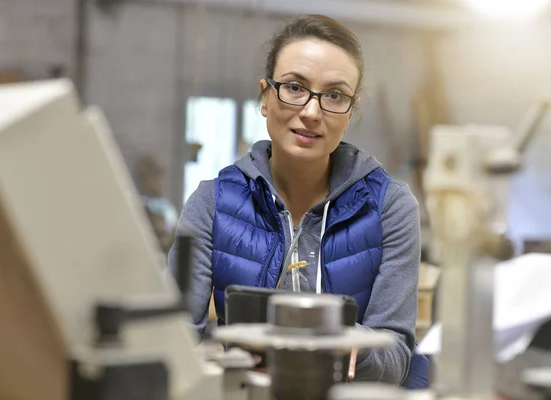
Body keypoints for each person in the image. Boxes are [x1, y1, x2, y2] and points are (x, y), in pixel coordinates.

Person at [169, 14, 428, 388]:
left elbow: (394, 363)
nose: (310, 112)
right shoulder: (212, 203)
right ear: (264, 96)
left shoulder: (391, 207)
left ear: (350, 111)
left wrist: (346, 345)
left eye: (334, 96)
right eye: (294, 87)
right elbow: (174, 339)